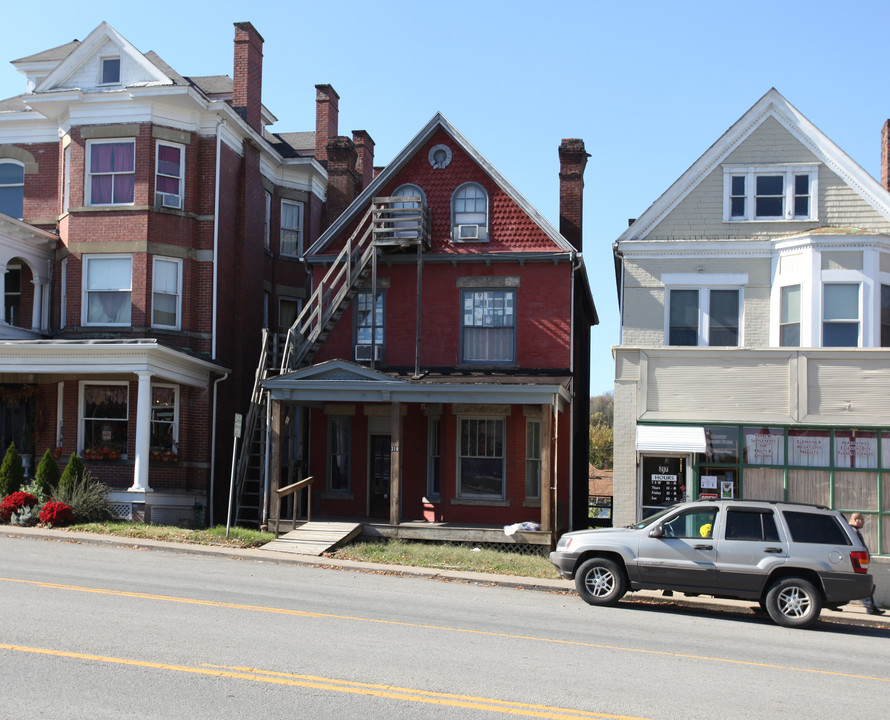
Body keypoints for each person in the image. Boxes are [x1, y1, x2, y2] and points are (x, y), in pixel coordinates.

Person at [849, 513, 885, 616]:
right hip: (855, 563)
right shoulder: (853, 531)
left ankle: (871, 607)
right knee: (863, 585)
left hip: (855, 563)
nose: (863, 522)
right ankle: (870, 608)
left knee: (859, 585)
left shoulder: (852, 531)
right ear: (856, 520)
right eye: (862, 520)